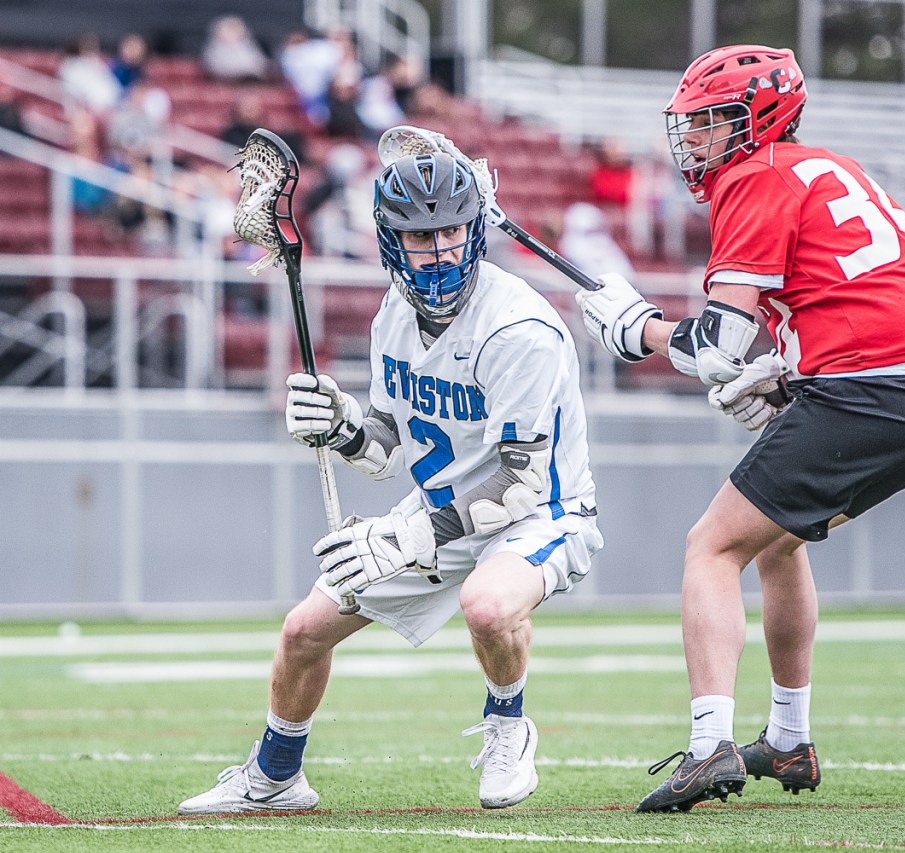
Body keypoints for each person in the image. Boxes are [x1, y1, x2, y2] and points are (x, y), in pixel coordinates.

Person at [573, 45, 905, 813]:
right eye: (689, 126)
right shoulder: (830, 167)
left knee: (710, 545)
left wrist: (639, 329)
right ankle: (788, 737)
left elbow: (715, 345)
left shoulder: (755, 174)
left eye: (711, 123)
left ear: (758, 118)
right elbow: (859, 292)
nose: (694, 142)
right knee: (777, 541)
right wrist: (791, 378)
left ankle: (708, 746)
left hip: (876, 382)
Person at [178, 151, 602, 814]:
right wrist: (341, 421)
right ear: (389, 240)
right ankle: (276, 777)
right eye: (417, 236)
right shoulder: (393, 315)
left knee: (488, 605)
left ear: (473, 230)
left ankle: (508, 726)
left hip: (538, 513)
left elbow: (519, 481)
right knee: (302, 633)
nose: (435, 252)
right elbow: (386, 446)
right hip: (439, 515)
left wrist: (407, 538)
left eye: (447, 233)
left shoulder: (520, 328)